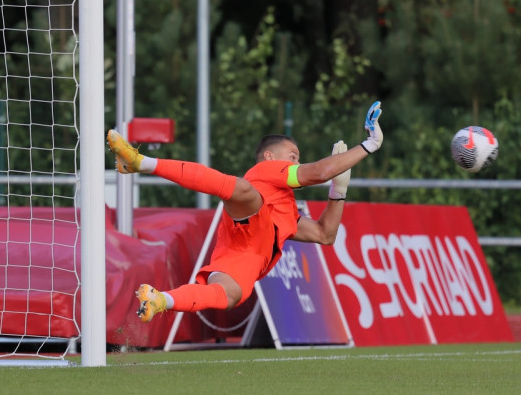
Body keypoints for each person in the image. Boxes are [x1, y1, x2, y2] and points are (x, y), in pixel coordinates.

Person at [106, 101, 383, 323]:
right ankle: (140, 162)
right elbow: (319, 172)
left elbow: (326, 235)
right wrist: (369, 145)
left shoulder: (286, 211)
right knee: (245, 192)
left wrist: (339, 191)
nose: (296, 161)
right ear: (270, 157)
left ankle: (160, 300)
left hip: (244, 256)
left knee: (228, 296)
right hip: (249, 223)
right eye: (293, 156)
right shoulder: (267, 170)